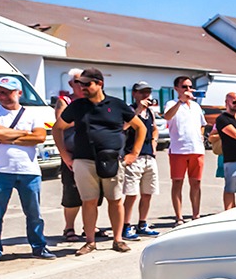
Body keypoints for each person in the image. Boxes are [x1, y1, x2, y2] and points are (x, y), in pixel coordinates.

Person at [57, 68, 146, 255]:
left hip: (112, 160)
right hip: (84, 160)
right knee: (88, 201)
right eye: (80, 84)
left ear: (99, 83)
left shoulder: (116, 105)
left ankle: (118, 239)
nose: (83, 88)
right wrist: (65, 155)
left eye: (87, 84)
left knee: (115, 201)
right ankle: (90, 242)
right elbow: (58, 128)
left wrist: (134, 153)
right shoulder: (78, 106)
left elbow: (140, 128)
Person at [0, 76, 55, 265]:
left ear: (19, 93)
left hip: (29, 171)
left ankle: (39, 247)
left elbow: (39, 137)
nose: (3, 96)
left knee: (34, 214)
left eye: (8, 92)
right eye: (0, 93)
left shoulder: (32, 115)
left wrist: (10, 136)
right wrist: (24, 134)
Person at [52, 68, 91, 242]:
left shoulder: (92, 101)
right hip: (72, 154)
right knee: (72, 192)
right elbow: (60, 124)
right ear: (70, 84)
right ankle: (69, 227)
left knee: (92, 193)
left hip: (91, 153)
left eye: (85, 81)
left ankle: (90, 226)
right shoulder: (65, 101)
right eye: (78, 81)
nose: (81, 85)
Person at [163, 76, 207, 224]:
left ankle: (196, 215)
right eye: (184, 87)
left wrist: (200, 135)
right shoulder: (171, 103)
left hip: (196, 149)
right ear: (177, 89)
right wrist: (180, 101)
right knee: (177, 183)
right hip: (178, 150)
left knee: (196, 183)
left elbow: (202, 123)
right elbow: (167, 116)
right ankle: (179, 217)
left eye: (189, 87)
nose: (188, 90)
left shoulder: (196, 106)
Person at [121, 81, 161, 240]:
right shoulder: (129, 110)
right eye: (142, 92)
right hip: (133, 156)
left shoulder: (150, 113)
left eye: (148, 92)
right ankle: (125, 225)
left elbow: (155, 128)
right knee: (131, 194)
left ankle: (142, 223)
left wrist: (154, 143)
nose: (146, 95)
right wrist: (138, 111)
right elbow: (123, 127)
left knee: (147, 192)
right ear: (134, 94)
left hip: (149, 156)